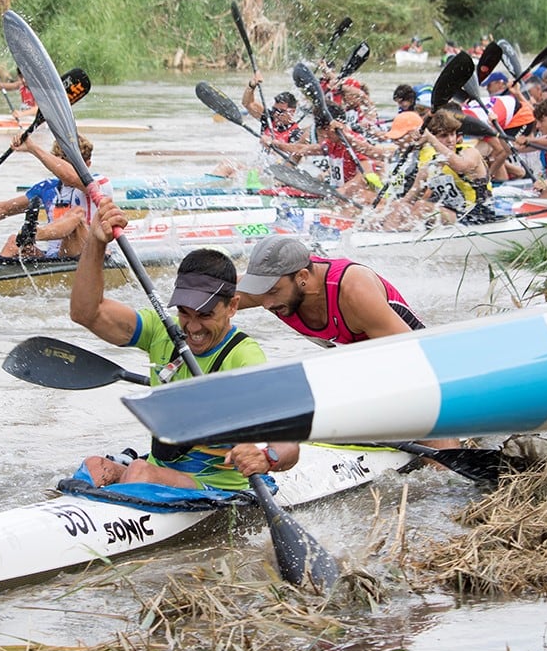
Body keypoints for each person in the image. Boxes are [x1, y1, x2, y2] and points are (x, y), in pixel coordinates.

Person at [69, 198, 299, 489]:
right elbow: (85, 312)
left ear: (232, 306)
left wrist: (268, 457)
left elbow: (289, 440)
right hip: (158, 469)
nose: (192, 327)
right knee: (93, 467)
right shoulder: (161, 329)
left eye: (205, 315)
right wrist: (96, 242)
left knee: (139, 471)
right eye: (184, 313)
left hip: (215, 485)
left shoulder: (243, 357)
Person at [236, 235, 458, 452]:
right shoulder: (271, 286)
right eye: (259, 292)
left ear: (302, 276)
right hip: (359, 361)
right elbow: (211, 298)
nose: (265, 304)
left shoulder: (354, 289)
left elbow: (413, 366)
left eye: (273, 292)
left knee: (427, 423)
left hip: (418, 363)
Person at [0, 134, 109, 259]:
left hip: (90, 253)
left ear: (87, 164)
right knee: (14, 242)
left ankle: (35, 233)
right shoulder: (47, 188)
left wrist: (32, 148)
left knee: (76, 218)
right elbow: (3, 210)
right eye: (62, 162)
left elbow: (70, 177)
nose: (63, 169)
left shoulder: (97, 184)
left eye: (71, 163)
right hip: (57, 256)